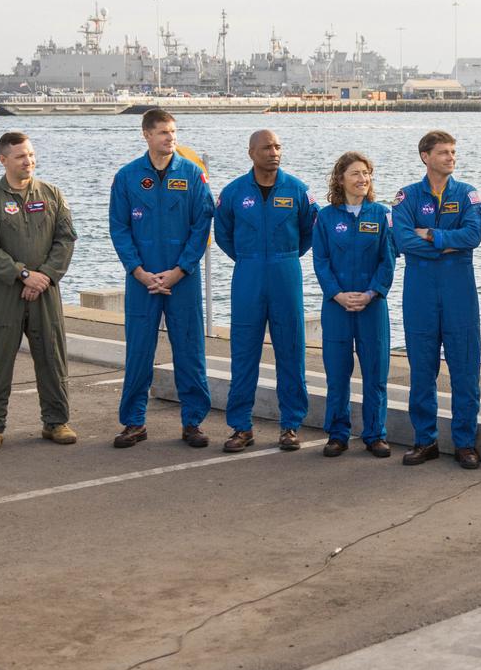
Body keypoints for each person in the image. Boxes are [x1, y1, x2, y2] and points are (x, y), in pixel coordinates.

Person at [108, 109, 215, 448]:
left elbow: (202, 226)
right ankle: (134, 422)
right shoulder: (127, 177)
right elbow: (119, 228)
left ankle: (193, 422)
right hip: (142, 279)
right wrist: (138, 271)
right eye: (163, 133)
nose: (171, 138)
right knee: (139, 351)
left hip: (181, 278)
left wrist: (180, 270)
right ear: (146, 135)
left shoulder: (193, 175)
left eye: (173, 131)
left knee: (190, 350)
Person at [0, 132, 78, 452]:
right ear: (3, 160)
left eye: (30, 155)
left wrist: (44, 276)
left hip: (45, 291)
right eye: (20, 156)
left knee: (52, 356)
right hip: (4, 293)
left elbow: (66, 239)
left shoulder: (52, 194)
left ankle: (56, 421)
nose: (28, 161)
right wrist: (23, 275)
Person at [213, 129, 317, 452]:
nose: (273, 152)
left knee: (291, 351)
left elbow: (309, 232)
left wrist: (283, 257)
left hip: (286, 273)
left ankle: (290, 426)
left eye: (277, 147)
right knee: (243, 353)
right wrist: (250, 259)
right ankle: (241, 427)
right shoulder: (233, 193)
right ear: (251, 153)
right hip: (248, 274)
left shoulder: (298, 190)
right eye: (266, 147)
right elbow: (223, 234)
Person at [391, 130, 481, 469]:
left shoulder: (466, 194)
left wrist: (431, 235)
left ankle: (465, 443)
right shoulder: (407, 197)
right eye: (443, 152)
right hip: (420, 292)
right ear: (425, 156)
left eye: (453, 151)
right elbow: (402, 240)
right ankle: (425, 440)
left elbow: (473, 235)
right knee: (422, 369)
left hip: (459, 290)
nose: (450, 157)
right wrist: (447, 245)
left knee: (464, 369)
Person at [312, 152, 396, 458]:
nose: (363, 179)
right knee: (337, 374)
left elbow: (388, 261)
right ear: (341, 179)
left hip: (371, 308)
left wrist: (372, 293)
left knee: (376, 373)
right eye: (356, 174)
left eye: (367, 173)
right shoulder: (325, 216)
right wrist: (336, 294)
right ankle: (338, 433)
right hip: (337, 307)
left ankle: (376, 434)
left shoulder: (382, 214)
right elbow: (320, 261)